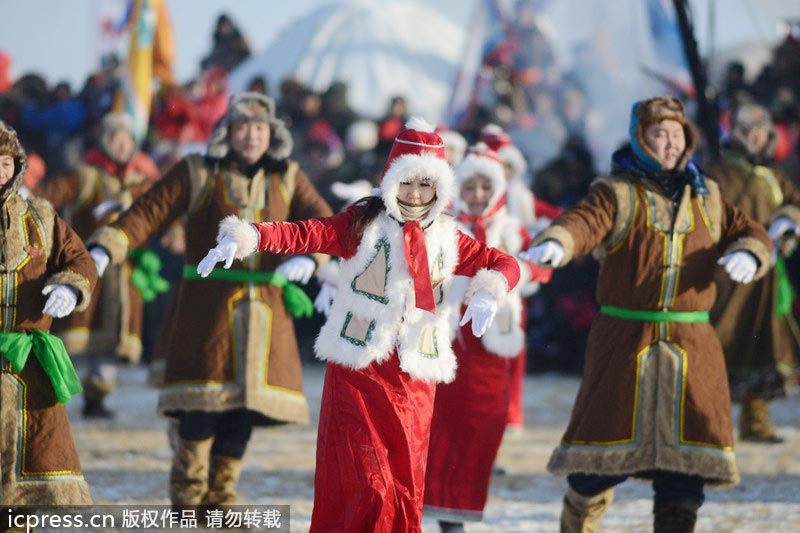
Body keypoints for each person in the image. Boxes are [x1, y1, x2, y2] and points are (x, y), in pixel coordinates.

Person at [198, 118, 521, 532]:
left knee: (404, 486)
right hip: (358, 371)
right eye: (408, 183)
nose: (416, 195)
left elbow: (504, 263)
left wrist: (489, 291)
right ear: (392, 181)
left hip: (415, 381)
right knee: (367, 483)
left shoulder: (448, 237)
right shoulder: (363, 224)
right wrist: (247, 237)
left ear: (439, 189)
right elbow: (305, 233)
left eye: (426, 185)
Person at [521, 96, 773, 532]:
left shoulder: (707, 195)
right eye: (660, 135)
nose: (670, 144)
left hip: (692, 351)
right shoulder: (616, 192)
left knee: (684, 474)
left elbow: (748, 231)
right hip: (624, 346)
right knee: (595, 463)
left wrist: (751, 253)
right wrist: (559, 242)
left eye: (677, 135)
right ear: (641, 138)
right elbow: (585, 222)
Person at [86, 92, 333, 508]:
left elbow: (324, 222)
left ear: (271, 133)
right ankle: (187, 493)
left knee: (244, 409)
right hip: (209, 307)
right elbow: (149, 211)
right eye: (242, 127)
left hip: (266, 310)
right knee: (203, 404)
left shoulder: (286, 175)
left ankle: (221, 495)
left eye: (259, 128)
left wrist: (311, 257)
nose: (251, 136)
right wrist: (106, 248)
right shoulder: (198, 171)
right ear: (228, 131)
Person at [423, 143, 550, 532]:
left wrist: (511, 278)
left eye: (484, 187)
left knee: (483, 431)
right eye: (470, 187)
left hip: (494, 346)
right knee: (440, 430)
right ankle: (442, 511)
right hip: (450, 341)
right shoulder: (443, 227)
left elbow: (539, 269)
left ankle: (459, 506)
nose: (477, 196)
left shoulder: (511, 229)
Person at [35, 112, 161, 418]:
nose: (122, 145)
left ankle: (97, 398)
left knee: (110, 344)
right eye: (115, 138)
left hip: (125, 274)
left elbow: (161, 210)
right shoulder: (86, 175)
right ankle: (51, 396)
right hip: (86, 270)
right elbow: (46, 199)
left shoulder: (140, 182)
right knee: (77, 337)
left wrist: (174, 233)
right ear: (104, 142)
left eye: (127, 139)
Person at [0, 124, 98, 512]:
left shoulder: (40, 216)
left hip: (29, 366)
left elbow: (80, 260)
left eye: (5, 162)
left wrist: (69, 287)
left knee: (27, 479)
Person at [705, 104, 800, 443]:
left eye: (763, 135)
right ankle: (709, 424)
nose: (759, 141)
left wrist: (788, 219)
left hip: (768, 279)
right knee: (721, 343)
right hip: (728, 278)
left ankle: (756, 420)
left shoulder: (772, 176)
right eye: (753, 135)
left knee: (765, 345)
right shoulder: (716, 173)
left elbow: (795, 202)